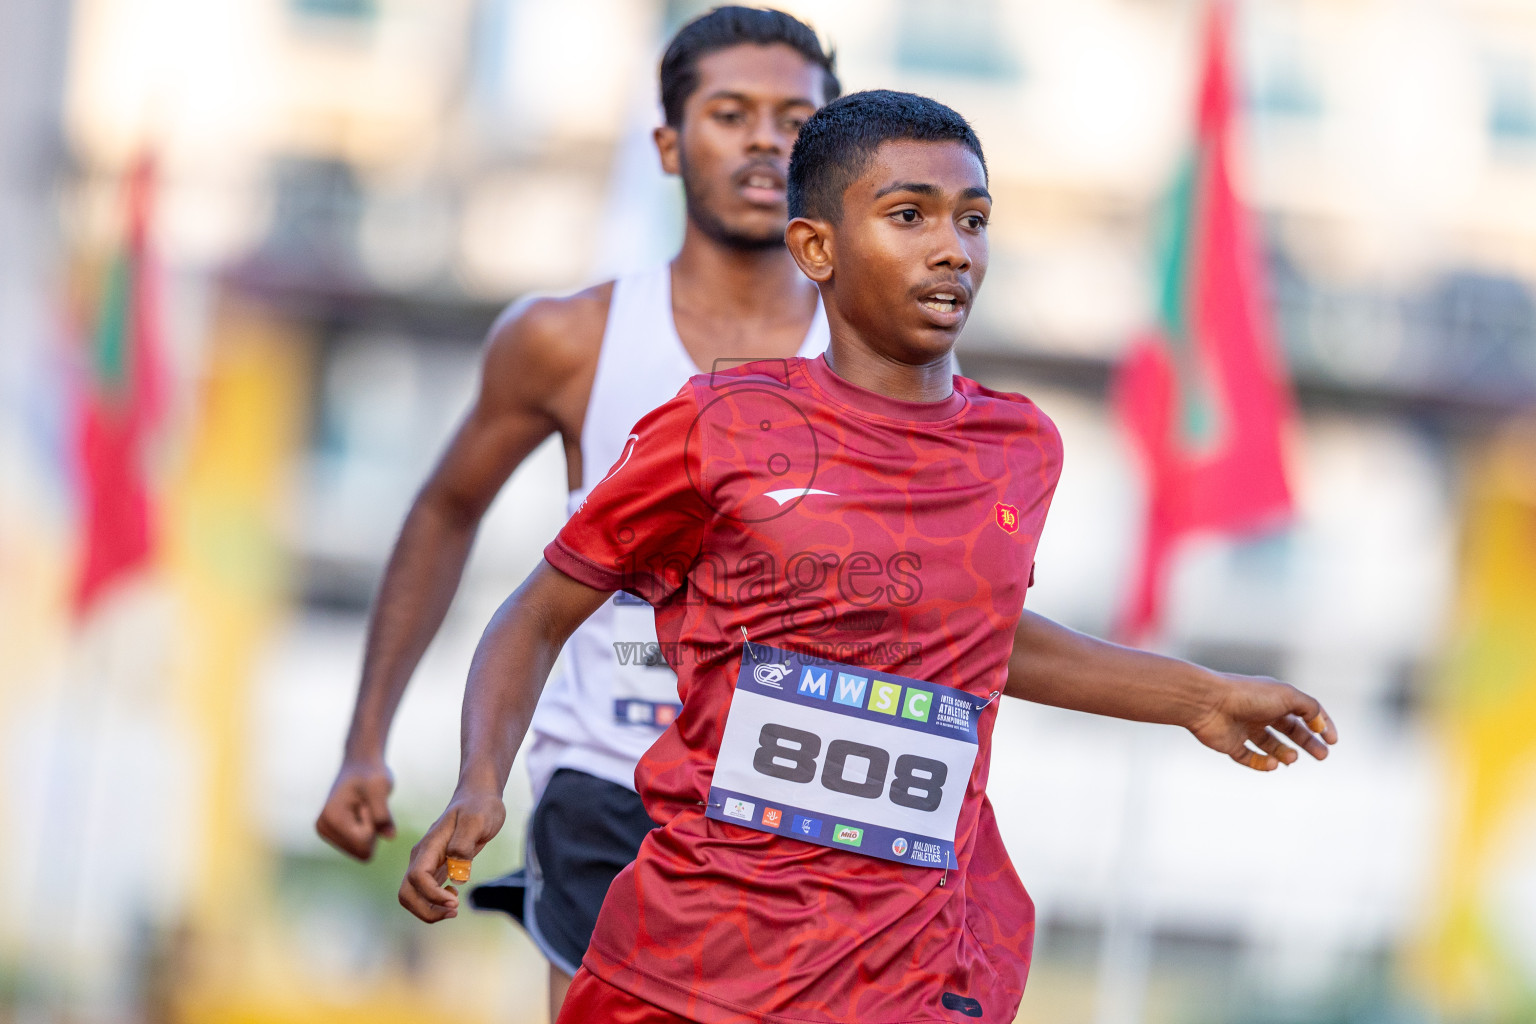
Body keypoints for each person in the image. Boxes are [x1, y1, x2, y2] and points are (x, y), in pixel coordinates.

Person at [398, 90, 1339, 1024]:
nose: (953, 248)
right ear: (816, 249)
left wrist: (1198, 698)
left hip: (910, 978)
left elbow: (975, 638)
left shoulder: (1021, 449)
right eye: (909, 215)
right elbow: (537, 612)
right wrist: (481, 779)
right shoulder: (722, 425)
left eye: (974, 220)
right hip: (692, 967)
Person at [314, 6, 840, 1012]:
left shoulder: (881, 365)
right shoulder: (569, 340)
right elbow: (445, 510)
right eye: (731, 113)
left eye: (795, 118)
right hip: (608, 775)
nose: (768, 138)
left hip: (795, 798)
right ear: (669, 143)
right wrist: (367, 736)